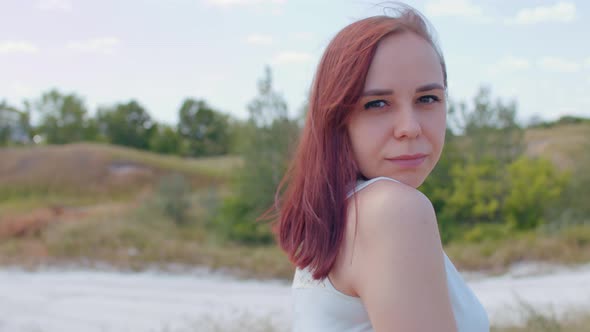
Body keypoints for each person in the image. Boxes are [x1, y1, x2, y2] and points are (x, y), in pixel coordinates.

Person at [266, 3, 489, 332]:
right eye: (377, 104)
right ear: (337, 118)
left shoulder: (343, 215)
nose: (409, 127)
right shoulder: (393, 210)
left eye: (427, 98)